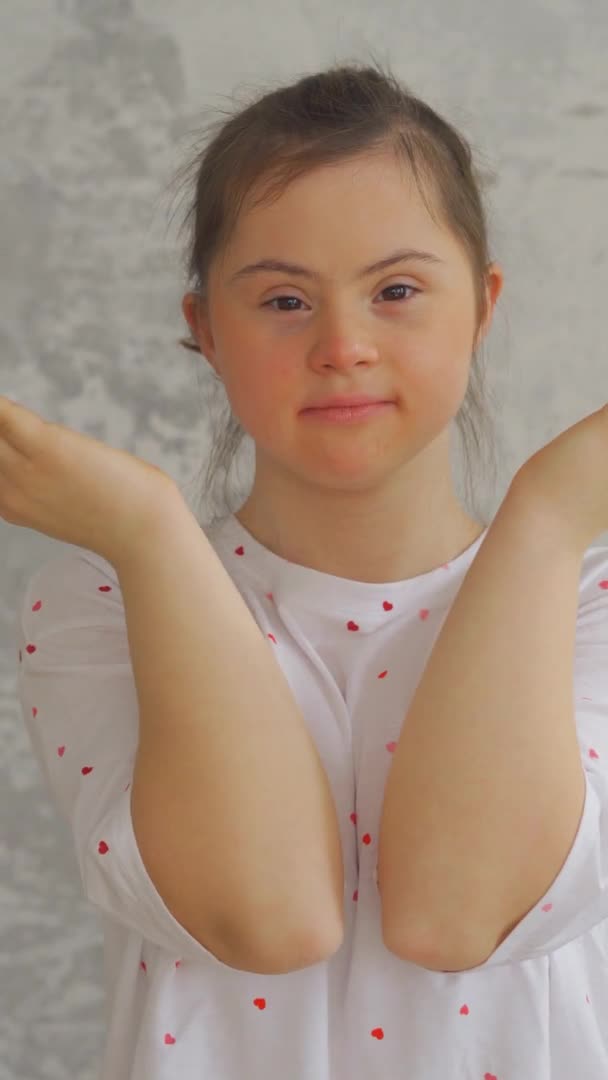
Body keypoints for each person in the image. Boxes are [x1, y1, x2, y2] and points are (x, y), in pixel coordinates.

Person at [15, 58, 608, 1080]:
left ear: (481, 305)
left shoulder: (590, 598)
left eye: (395, 290)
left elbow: (453, 914)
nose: (342, 345)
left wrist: (550, 516)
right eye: (283, 300)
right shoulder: (102, 596)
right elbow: (268, 918)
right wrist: (152, 530)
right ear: (203, 329)